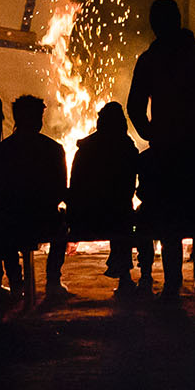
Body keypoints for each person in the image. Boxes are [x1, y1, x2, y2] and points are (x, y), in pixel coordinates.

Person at [127, 0, 195, 298]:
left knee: (169, 219)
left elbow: (134, 107)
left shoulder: (149, 60)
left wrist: (152, 134)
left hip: (166, 153)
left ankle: (173, 284)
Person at [0, 94, 65, 310]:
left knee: (2, 222)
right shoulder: (53, 149)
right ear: (36, 118)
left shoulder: (3, 150)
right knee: (62, 222)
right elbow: (61, 190)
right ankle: (53, 280)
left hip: (13, 220)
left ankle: (16, 283)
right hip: (45, 219)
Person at [67, 102, 144, 295]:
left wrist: (73, 216)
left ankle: (53, 279)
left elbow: (74, 186)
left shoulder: (85, 149)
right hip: (117, 218)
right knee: (128, 216)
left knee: (122, 213)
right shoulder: (127, 148)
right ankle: (128, 278)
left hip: (86, 218)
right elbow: (132, 188)